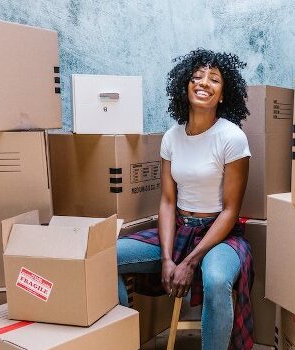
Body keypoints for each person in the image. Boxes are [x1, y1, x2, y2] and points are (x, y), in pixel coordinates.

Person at [117, 48, 254, 350]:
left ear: (222, 95)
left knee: (217, 281)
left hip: (220, 235)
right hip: (180, 229)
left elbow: (231, 211)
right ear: (186, 86)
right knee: (107, 256)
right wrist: (167, 258)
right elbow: (167, 202)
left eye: (214, 79)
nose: (204, 83)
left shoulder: (231, 138)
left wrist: (190, 261)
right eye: (197, 77)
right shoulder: (171, 137)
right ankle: (119, 340)